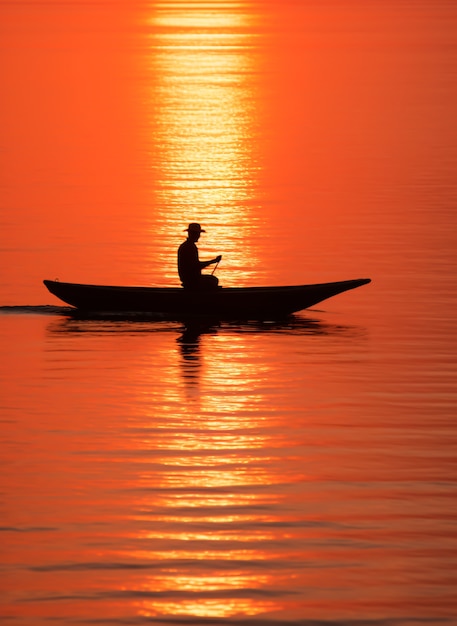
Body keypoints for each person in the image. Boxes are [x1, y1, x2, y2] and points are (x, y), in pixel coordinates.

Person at [178, 223, 222, 290]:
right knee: (213, 280)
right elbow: (196, 266)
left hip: (188, 279)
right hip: (191, 280)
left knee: (212, 279)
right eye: (197, 234)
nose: (199, 236)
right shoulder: (190, 247)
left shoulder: (186, 246)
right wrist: (213, 261)